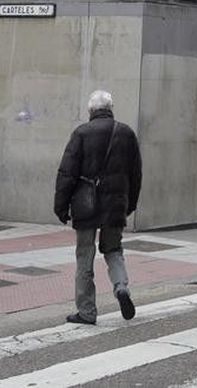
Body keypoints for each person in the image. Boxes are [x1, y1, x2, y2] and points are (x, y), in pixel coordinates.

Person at [54, 90, 142, 324]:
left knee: (85, 255)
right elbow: (136, 174)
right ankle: (121, 287)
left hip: (86, 205)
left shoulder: (81, 133)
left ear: (91, 110)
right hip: (115, 205)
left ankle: (87, 311)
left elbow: (67, 173)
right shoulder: (127, 133)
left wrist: (60, 206)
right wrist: (129, 204)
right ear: (111, 108)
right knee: (113, 250)